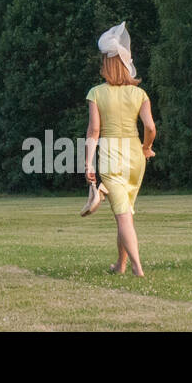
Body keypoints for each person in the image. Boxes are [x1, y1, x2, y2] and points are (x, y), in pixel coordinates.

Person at [83, 22, 156, 277]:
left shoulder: (96, 93)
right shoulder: (139, 94)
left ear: (106, 65)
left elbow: (94, 131)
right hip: (135, 157)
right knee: (124, 212)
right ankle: (121, 264)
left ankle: (137, 267)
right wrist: (147, 147)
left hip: (111, 157)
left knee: (123, 216)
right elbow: (150, 127)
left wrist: (88, 164)